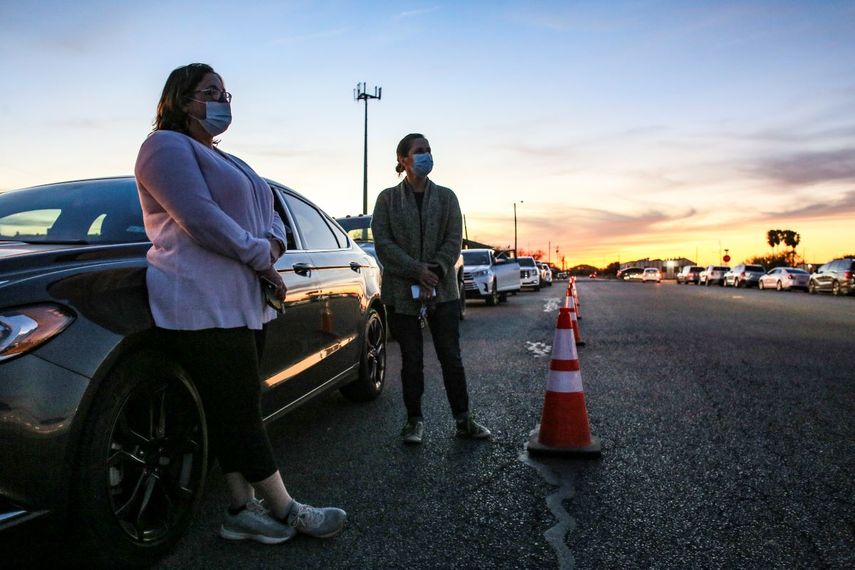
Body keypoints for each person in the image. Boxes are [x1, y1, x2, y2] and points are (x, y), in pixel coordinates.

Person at [134, 63, 346, 545]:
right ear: (182, 99)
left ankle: (238, 509)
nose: (222, 101)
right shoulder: (163, 148)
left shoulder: (231, 161)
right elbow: (199, 217)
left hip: (244, 301)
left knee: (237, 405)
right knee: (239, 412)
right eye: (210, 92)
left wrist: (271, 246)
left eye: (225, 92)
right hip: (200, 303)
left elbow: (270, 209)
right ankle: (287, 509)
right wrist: (259, 254)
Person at [371, 133, 491, 444]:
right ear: (403, 159)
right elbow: (383, 243)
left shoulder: (447, 198)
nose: (426, 155)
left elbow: (454, 240)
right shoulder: (386, 199)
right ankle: (414, 422)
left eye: (428, 150)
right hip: (402, 292)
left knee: (450, 356)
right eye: (419, 151)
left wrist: (434, 271)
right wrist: (416, 270)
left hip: (444, 290)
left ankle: (464, 419)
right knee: (411, 359)